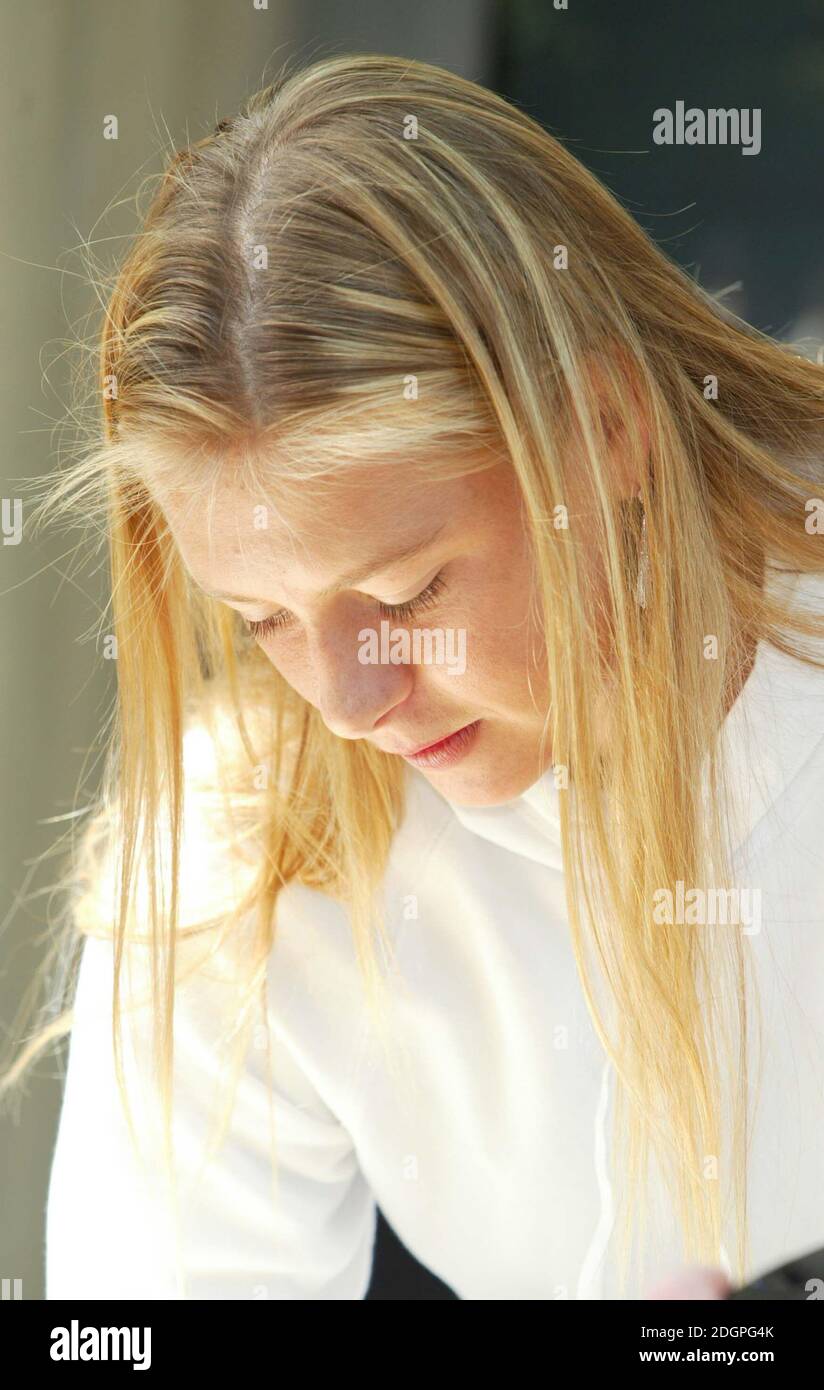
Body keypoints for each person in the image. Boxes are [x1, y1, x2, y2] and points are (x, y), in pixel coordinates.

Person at [5, 52, 824, 1301]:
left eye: (403, 596)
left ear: (600, 428)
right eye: (262, 619)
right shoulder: (249, 856)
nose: (344, 702)